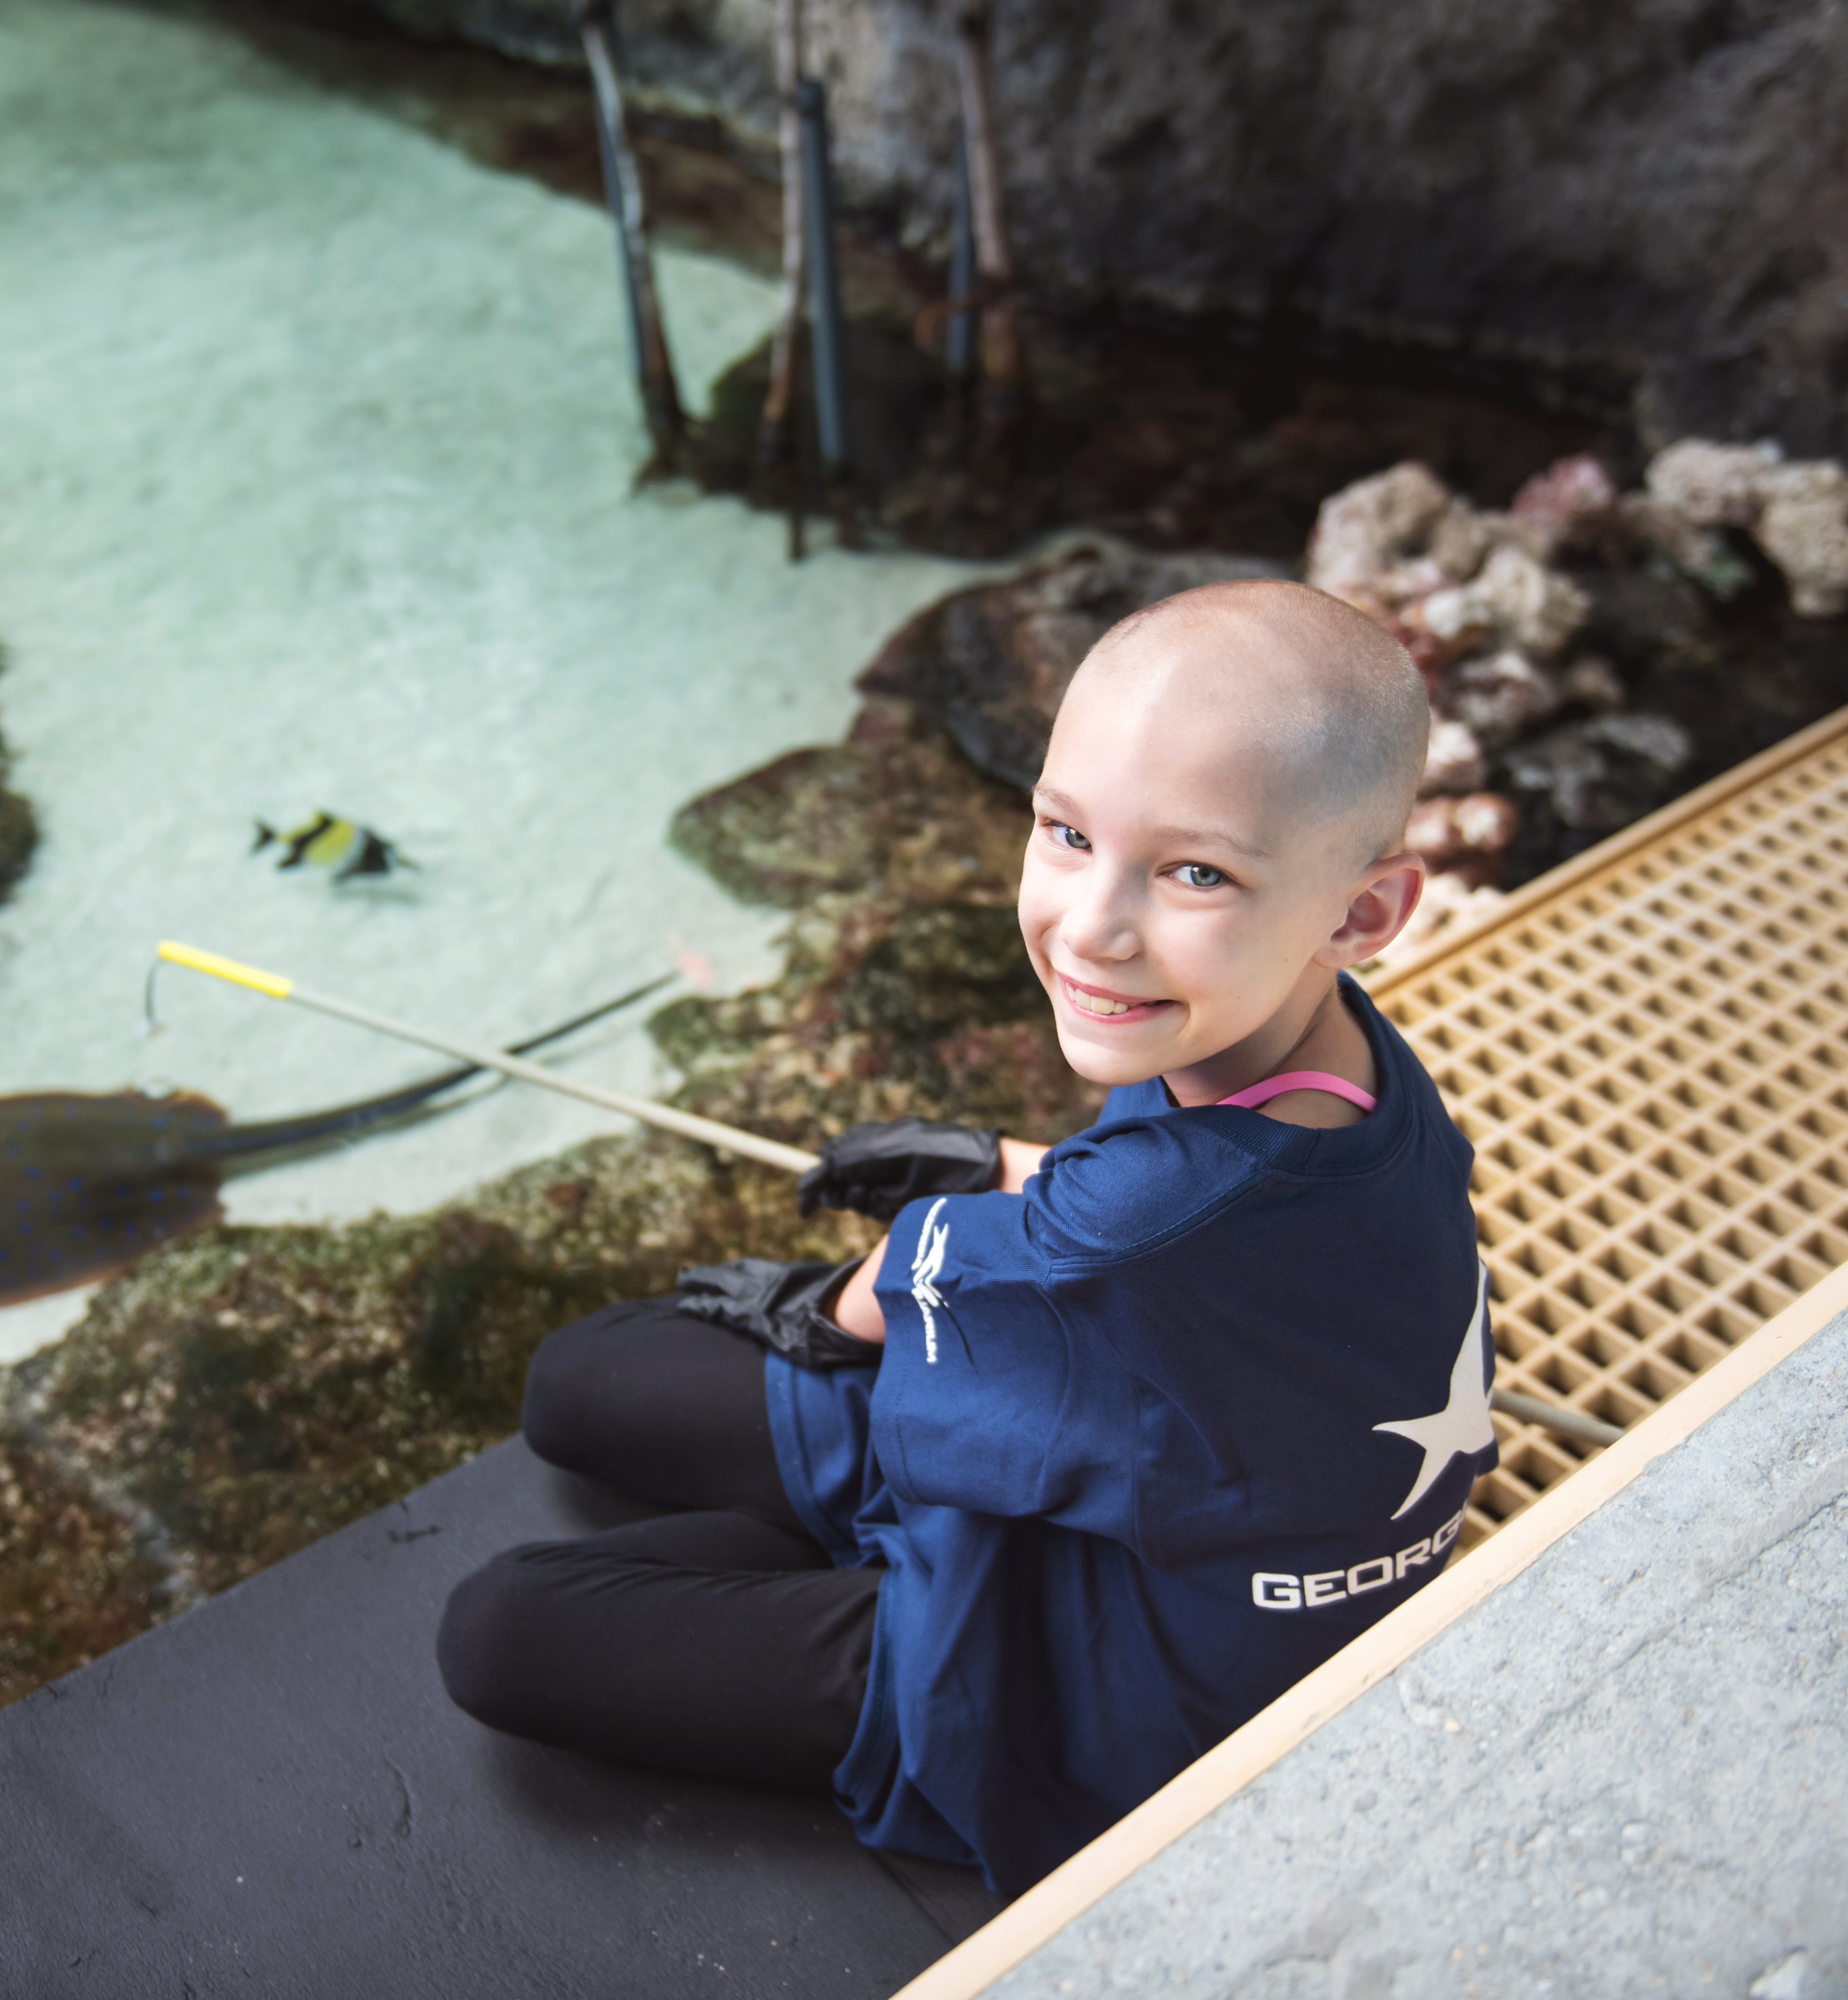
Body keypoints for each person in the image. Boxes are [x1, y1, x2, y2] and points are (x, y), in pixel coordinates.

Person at [436, 580, 1494, 1894]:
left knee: (504, 1624)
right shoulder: (1345, 1064)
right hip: (1198, 1486)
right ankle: (813, 1579)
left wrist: (829, 1299)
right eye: (1064, 832)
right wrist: (1004, 1163)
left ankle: (854, 1599)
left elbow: (920, 1293)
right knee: (582, 1391)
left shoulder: (1122, 1229)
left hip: (1122, 1670)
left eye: (1195, 871)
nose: (1091, 927)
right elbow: (1194, 1220)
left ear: (1364, 911)